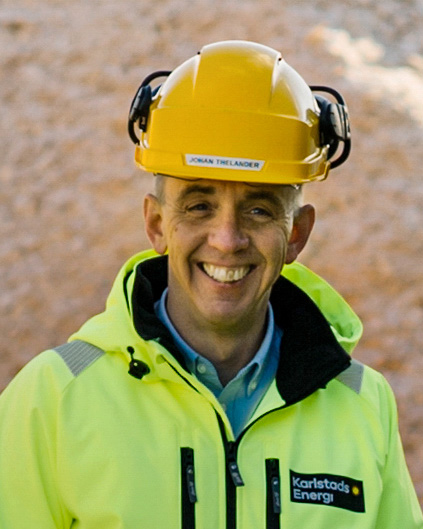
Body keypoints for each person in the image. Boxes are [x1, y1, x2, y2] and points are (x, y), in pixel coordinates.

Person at [0, 40, 421, 529]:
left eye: (259, 209)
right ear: (157, 224)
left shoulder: (363, 405)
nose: (227, 240)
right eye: (199, 205)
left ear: (297, 234)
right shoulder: (52, 398)